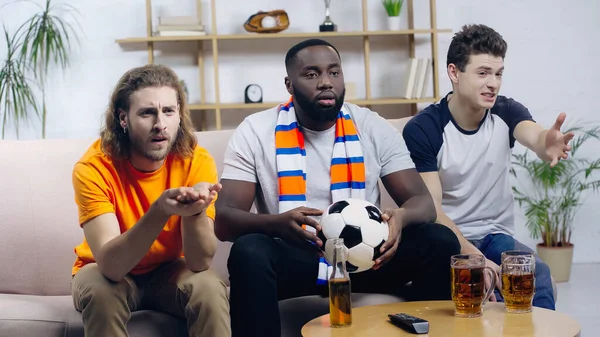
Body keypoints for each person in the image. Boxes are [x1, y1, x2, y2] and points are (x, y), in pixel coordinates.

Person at [214, 38, 461, 337]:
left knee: (440, 240)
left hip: (369, 260)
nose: (325, 83)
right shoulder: (255, 131)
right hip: (299, 262)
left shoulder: (372, 126)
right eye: (311, 74)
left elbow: (422, 201)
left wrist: (401, 219)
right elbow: (225, 220)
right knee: (249, 251)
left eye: (334, 72)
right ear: (289, 85)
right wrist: (276, 225)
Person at [402, 24, 573, 310]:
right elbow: (433, 211)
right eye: (483, 73)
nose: (493, 83)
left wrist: (548, 142)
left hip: (496, 236)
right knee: (461, 290)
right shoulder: (425, 128)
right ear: (454, 72)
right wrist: (473, 257)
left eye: (498, 73)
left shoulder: (506, 111)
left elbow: (535, 136)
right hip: (448, 239)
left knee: (538, 273)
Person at [70, 64, 231, 337]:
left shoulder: (197, 161)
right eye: (147, 112)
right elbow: (111, 266)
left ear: (179, 115)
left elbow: (199, 262)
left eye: (169, 111)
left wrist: (196, 212)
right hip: (106, 272)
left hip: (170, 271)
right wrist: (160, 210)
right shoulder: (93, 168)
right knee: (101, 292)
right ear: (123, 118)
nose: (160, 124)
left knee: (209, 287)